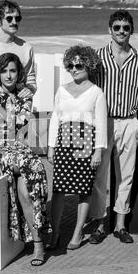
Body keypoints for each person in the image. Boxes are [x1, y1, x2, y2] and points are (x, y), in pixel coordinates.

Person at [0, 53, 48, 266]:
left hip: (20, 149)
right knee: (28, 166)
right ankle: (41, 231)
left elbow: (20, 123)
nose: (9, 75)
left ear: (18, 73)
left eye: (13, 71)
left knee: (27, 190)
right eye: (4, 71)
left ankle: (38, 243)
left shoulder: (25, 94)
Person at [88, 10, 138, 245]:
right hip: (104, 123)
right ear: (109, 30)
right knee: (100, 176)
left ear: (131, 30)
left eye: (126, 27)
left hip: (129, 123)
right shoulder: (97, 57)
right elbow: (89, 90)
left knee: (126, 176)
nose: (121, 31)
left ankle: (120, 226)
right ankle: (100, 224)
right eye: (117, 27)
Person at [47, 45, 107, 250]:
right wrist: (51, 146)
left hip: (86, 143)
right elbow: (56, 117)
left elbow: (100, 123)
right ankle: (54, 233)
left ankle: (77, 232)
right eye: (70, 65)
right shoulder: (62, 90)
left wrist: (98, 150)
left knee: (84, 190)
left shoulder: (96, 92)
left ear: (88, 65)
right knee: (58, 191)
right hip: (63, 142)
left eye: (79, 65)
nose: (74, 69)